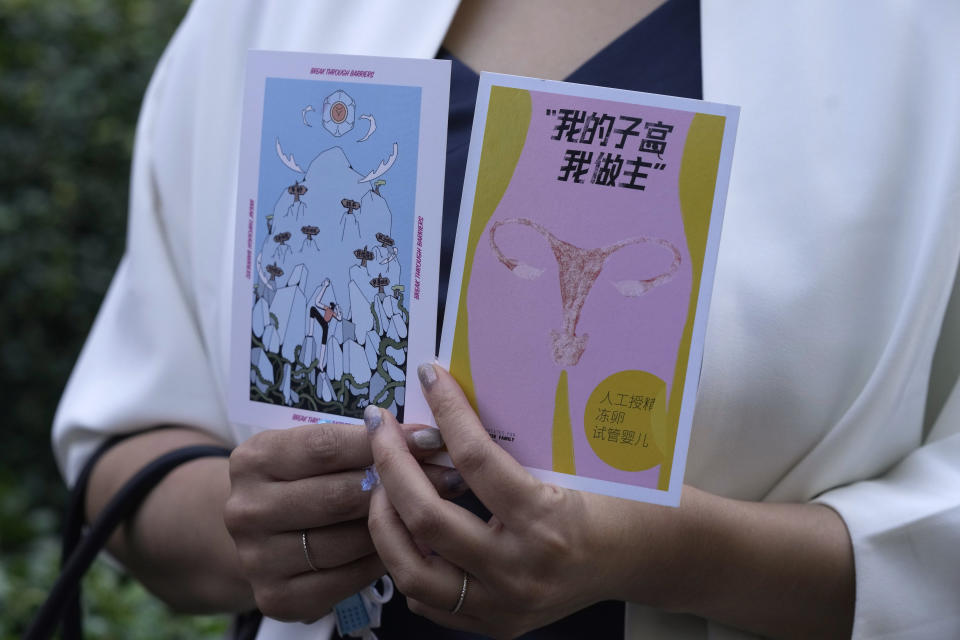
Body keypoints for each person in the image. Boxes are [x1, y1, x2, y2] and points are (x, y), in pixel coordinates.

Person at [53, 1, 960, 639]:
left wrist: (667, 556)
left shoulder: (923, 42)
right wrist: (250, 528)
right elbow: (127, 443)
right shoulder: (262, 13)